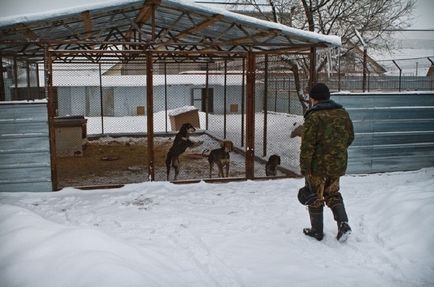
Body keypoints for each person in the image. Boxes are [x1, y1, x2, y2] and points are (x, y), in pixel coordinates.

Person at [300, 83, 354, 242]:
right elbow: (350, 137)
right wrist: (336, 152)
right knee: (333, 193)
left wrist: (305, 167)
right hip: (337, 164)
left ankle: (317, 231)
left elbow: (307, 146)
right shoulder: (343, 113)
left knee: (315, 195)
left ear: (313, 98)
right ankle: (343, 224)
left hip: (317, 166)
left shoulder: (314, 116)